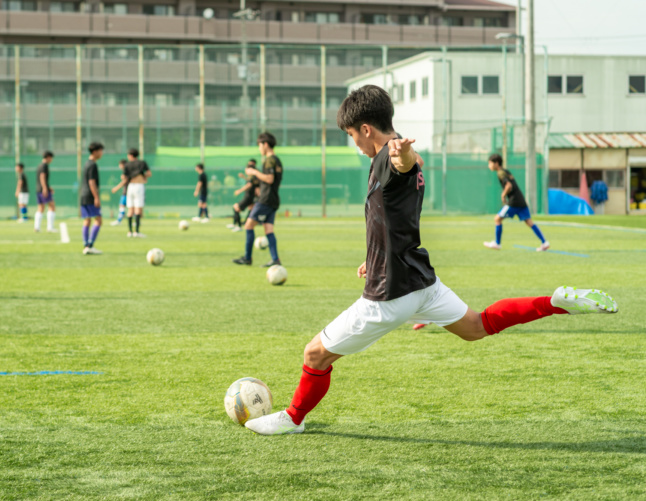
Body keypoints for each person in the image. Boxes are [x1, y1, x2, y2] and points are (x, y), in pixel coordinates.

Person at [244, 85, 619, 436]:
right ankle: (554, 303)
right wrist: (371, 258)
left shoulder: (390, 157)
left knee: (315, 354)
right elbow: (394, 215)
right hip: (421, 283)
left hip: (390, 294)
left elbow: (404, 163)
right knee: (477, 325)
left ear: (365, 128)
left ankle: (293, 419)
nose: (353, 142)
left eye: (351, 135)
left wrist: (403, 154)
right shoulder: (387, 157)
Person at [232, 133, 283, 267]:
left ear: (265, 144)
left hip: (265, 200)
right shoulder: (277, 160)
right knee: (268, 230)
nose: (259, 148)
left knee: (248, 226)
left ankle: (247, 258)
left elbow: (269, 179)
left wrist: (254, 172)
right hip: (273, 199)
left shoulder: (269, 160)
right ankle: (275, 259)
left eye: (259, 145)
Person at [484, 154, 549, 252]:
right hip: (521, 200)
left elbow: (509, 185)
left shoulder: (501, 173)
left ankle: (497, 243)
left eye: (490, 163)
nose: (489, 165)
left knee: (497, 219)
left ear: (496, 163)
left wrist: (503, 195)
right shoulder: (506, 171)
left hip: (514, 201)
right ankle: (544, 242)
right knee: (529, 222)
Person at [112, 148, 151, 238]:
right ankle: (136, 232)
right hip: (139, 186)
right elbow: (149, 174)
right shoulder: (142, 163)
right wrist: (142, 176)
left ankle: (129, 232)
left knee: (130, 209)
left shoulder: (127, 165)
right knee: (138, 209)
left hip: (130, 187)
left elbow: (123, 177)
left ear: (130, 155)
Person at [227, 159, 259, 232]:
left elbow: (249, 184)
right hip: (250, 197)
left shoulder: (253, 177)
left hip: (249, 197)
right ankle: (236, 224)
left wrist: (239, 191)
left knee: (236, 207)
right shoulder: (252, 177)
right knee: (250, 210)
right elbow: (250, 181)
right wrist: (244, 177)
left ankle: (238, 226)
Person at [34, 150, 56, 233]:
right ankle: (50, 227)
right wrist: (45, 188)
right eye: (51, 158)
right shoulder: (44, 166)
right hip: (42, 190)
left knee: (41, 207)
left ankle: (37, 227)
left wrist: (48, 187)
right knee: (52, 206)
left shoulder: (39, 165)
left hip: (38, 189)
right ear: (48, 157)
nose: (51, 160)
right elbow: (42, 177)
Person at [110, 159, 128, 226]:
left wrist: (116, 188)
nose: (119, 166)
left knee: (122, 205)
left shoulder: (126, 171)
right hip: (128, 191)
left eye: (120, 164)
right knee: (127, 206)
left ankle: (119, 220)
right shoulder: (127, 171)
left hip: (127, 191)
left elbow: (124, 181)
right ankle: (121, 219)